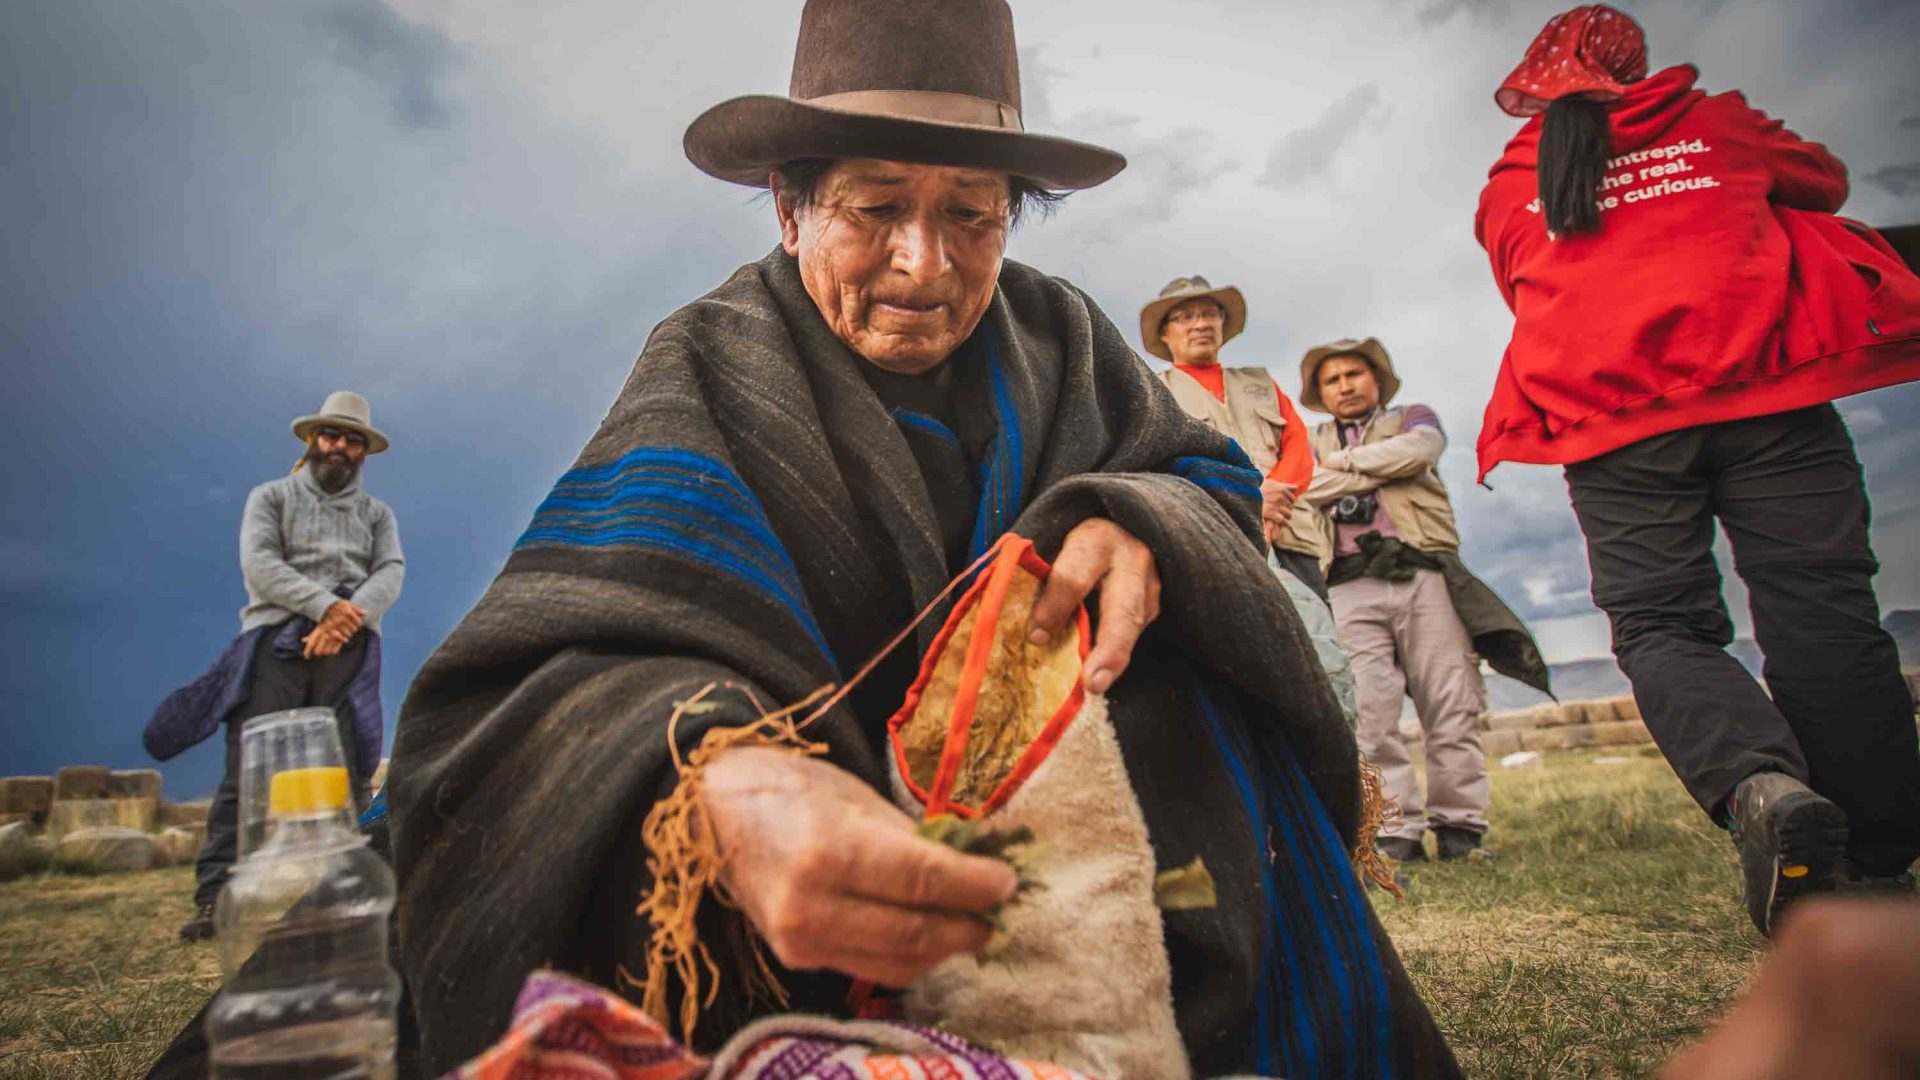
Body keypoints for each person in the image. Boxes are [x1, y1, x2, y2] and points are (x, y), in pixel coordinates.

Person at [387, 2, 1460, 1077]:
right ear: (788, 207)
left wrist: (1142, 524)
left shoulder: (1067, 339)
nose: (925, 262)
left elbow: (1202, 480)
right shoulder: (713, 365)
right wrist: (729, 788)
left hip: (1095, 886)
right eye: (876, 206)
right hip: (795, 920)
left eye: (974, 216)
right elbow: (576, 646)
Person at [1474, 4, 1920, 933]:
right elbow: (1824, 183)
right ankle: (1877, 858)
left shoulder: (1516, 177)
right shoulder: (1714, 124)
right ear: (1631, 63)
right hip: (1767, 392)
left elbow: (1519, 277)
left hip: (1613, 425)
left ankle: (1759, 786)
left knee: (1658, 623)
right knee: (1820, 605)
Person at [146, 391, 403, 941]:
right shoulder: (272, 499)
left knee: (351, 766)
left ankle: (344, 891)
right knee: (246, 769)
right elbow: (261, 565)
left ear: (364, 452)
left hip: (349, 649)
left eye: (353, 439)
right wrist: (325, 608)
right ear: (314, 441)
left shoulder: (377, 516)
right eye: (332, 435)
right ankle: (215, 897)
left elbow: (390, 571)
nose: (341, 446)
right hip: (275, 646)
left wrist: (346, 619)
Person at [1300, 339, 1549, 864]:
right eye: (1332, 379)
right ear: (1320, 392)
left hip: (1424, 574)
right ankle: (1395, 832)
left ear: (1377, 379)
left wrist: (1344, 466)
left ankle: (1461, 830)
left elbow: (1420, 450)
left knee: (1450, 702)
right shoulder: (1308, 439)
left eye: (1354, 374)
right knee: (1368, 708)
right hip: (1347, 582)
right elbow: (1304, 483)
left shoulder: (1414, 416)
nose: (1345, 385)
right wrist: (1374, 468)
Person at [1143, 276, 1330, 598]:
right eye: (1186, 317)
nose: (1200, 324)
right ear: (1164, 332)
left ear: (1222, 322)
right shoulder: (1151, 392)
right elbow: (1156, 467)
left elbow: (1299, 446)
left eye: (1209, 313)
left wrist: (1272, 499)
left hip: (1291, 535)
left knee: (1315, 634)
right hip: (1211, 536)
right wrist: (1253, 498)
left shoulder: (1261, 383)